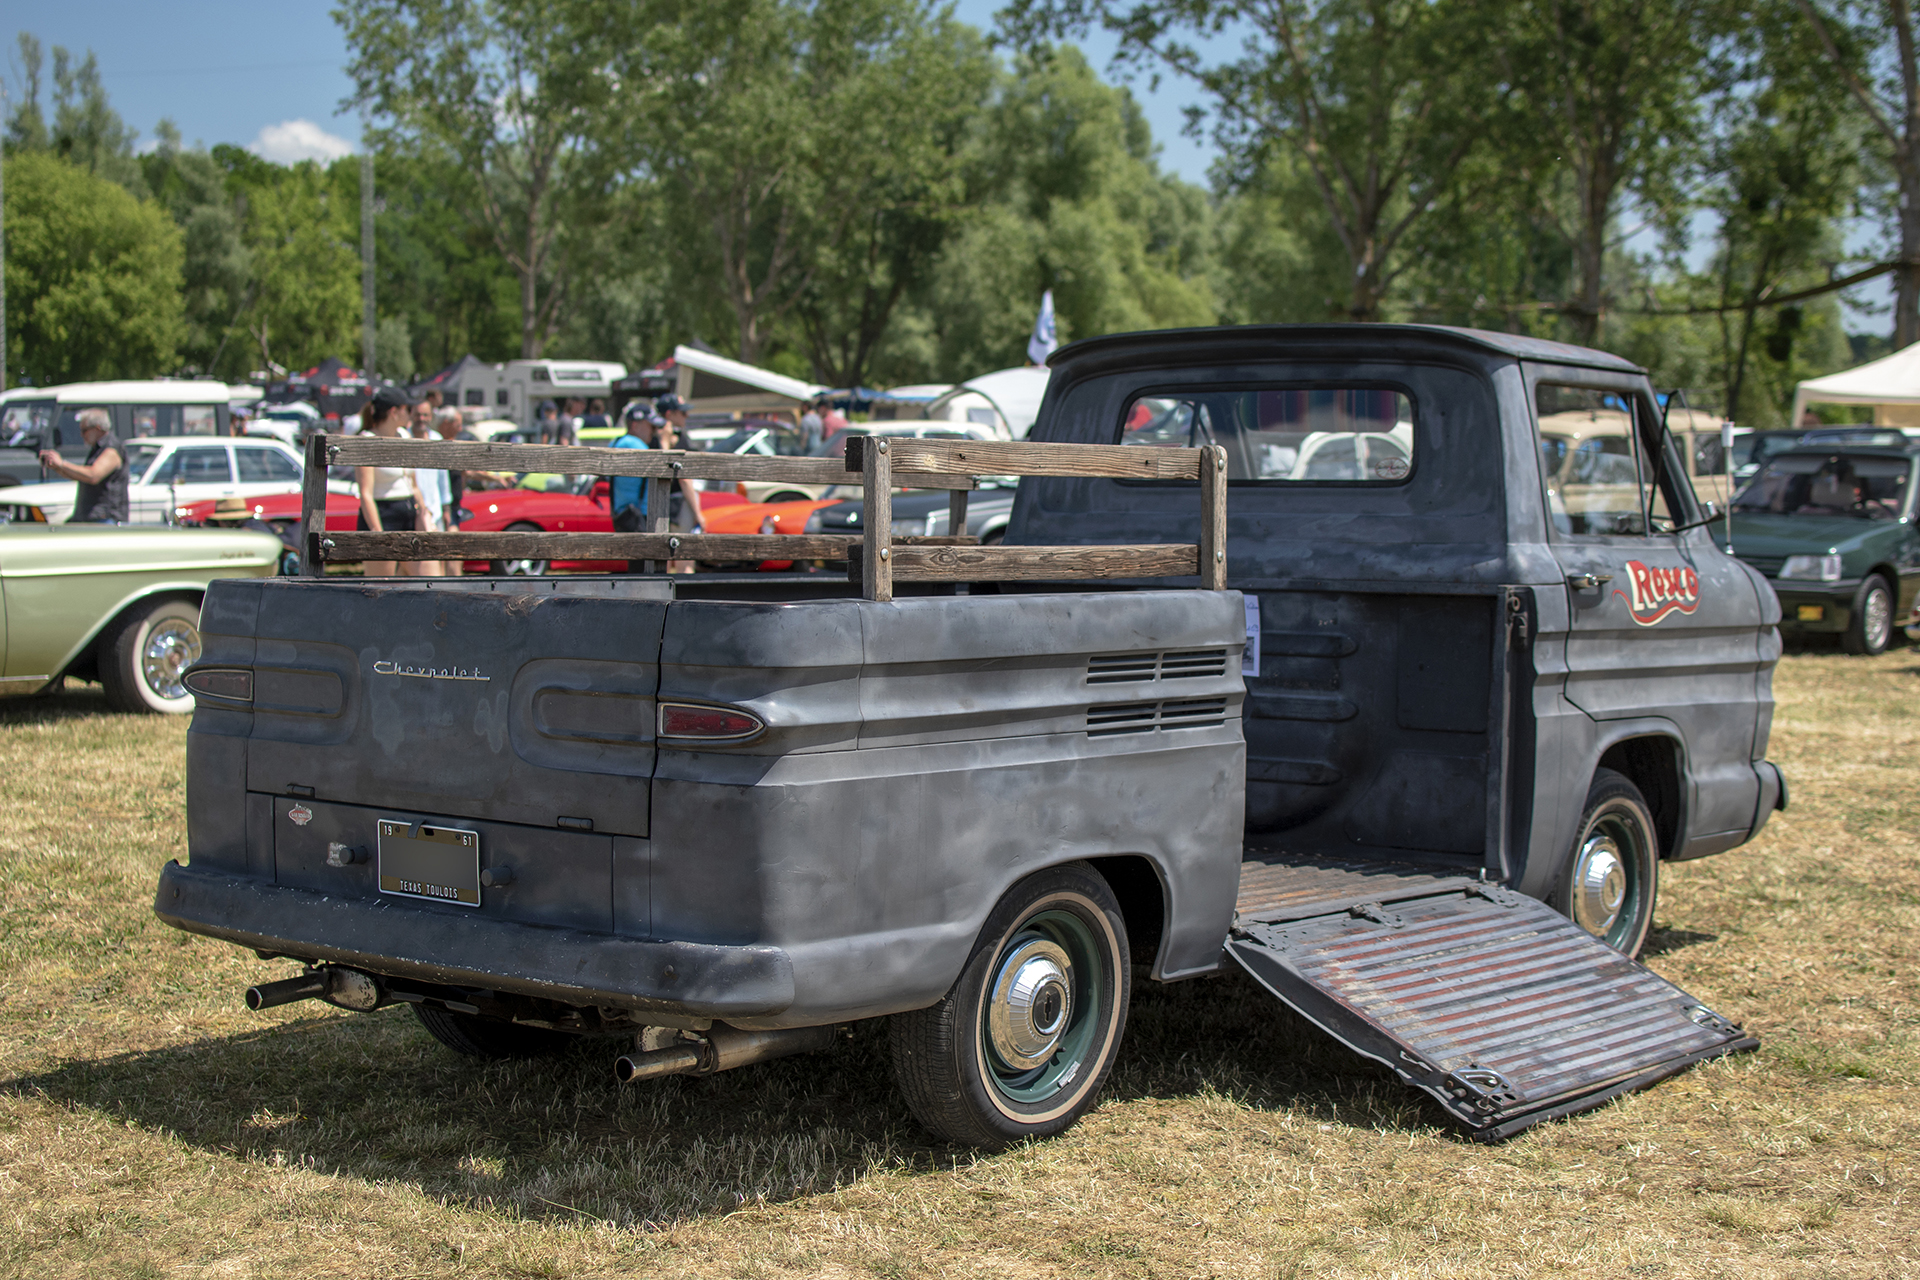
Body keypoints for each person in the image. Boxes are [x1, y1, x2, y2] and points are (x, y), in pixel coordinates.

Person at [354, 387, 428, 578]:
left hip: (409, 512)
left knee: (426, 580)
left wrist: (423, 513)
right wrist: (378, 534)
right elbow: (366, 493)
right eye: (407, 409)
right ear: (394, 412)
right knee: (380, 586)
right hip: (384, 513)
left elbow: (413, 483)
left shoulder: (404, 435)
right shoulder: (367, 440)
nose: (410, 414)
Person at [40, 408, 127, 524]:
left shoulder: (111, 449)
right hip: (91, 517)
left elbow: (93, 475)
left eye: (84, 430)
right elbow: (82, 476)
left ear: (98, 428)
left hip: (106, 518)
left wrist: (62, 463)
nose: (81, 435)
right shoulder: (97, 449)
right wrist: (57, 467)